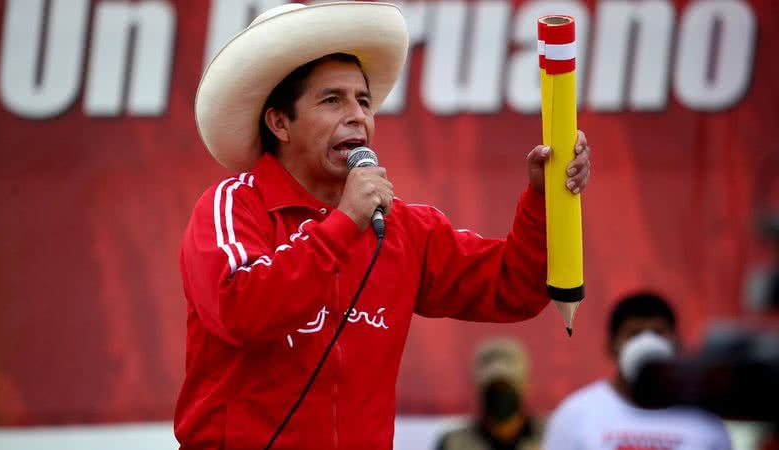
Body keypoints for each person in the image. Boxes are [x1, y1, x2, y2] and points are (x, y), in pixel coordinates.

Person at [175, 2, 592, 449]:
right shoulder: (234, 205)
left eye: (364, 100)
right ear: (280, 122)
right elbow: (240, 309)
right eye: (332, 100)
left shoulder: (403, 228)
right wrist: (343, 224)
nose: (357, 115)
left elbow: (514, 286)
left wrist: (545, 196)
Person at [542, 292, 732, 450]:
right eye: (634, 334)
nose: (647, 343)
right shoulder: (575, 415)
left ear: (677, 344)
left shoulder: (704, 419)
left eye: (658, 333)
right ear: (611, 347)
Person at [436, 339, 541, 450]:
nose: (500, 395)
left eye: (506, 386)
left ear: (525, 385)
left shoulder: (551, 437)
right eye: (493, 387)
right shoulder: (453, 444)